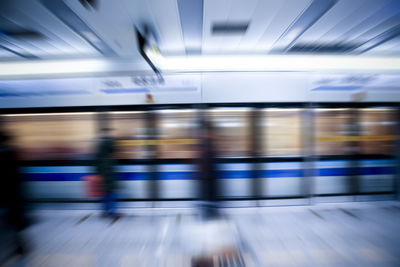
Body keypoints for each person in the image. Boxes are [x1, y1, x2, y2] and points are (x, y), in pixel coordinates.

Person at [0, 129, 29, 256]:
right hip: (14, 193)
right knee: (14, 222)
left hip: (7, 193)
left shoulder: (5, 153)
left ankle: (18, 246)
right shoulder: (11, 152)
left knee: (10, 221)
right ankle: (20, 246)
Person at [94, 128, 120, 218]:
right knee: (112, 194)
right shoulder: (107, 158)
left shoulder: (100, 154)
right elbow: (114, 149)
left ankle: (105, 212)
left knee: (105, 194)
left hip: (103, 177)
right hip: (108, 177)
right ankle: (113, 212)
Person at [198, 120, 219, 219]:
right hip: (207, 177)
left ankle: (210, 213)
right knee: (209, 196)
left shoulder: (208, 146)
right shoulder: (206, 145)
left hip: (208, 177)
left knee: (209, 195)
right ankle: (209, 212)